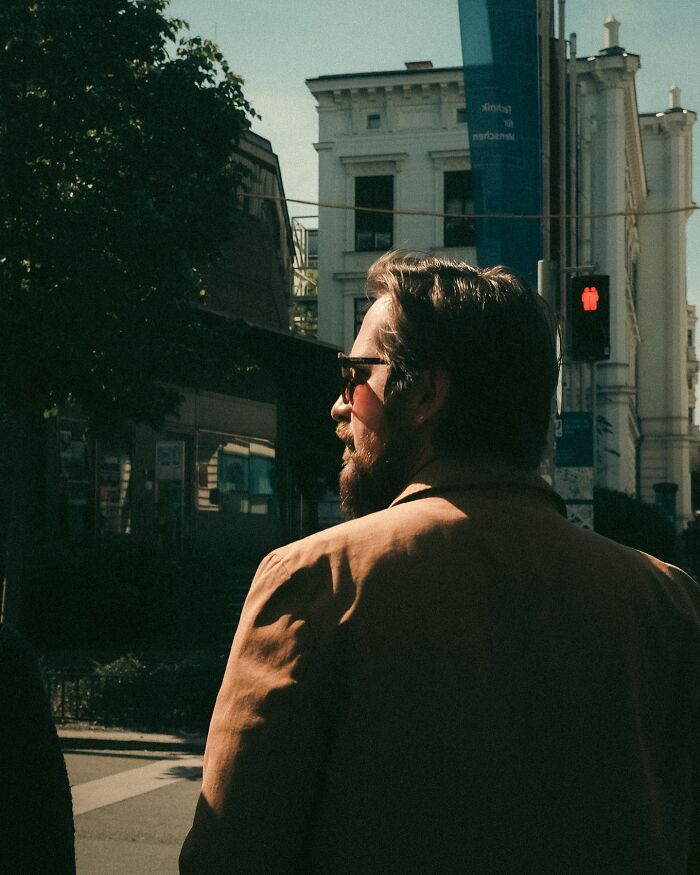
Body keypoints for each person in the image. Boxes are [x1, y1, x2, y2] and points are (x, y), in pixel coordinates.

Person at [180, 253, 700, 873]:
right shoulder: (668, 603)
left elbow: (229, 856)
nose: (338, 407)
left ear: (425, 394)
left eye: (354, 376)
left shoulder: (316, 584)